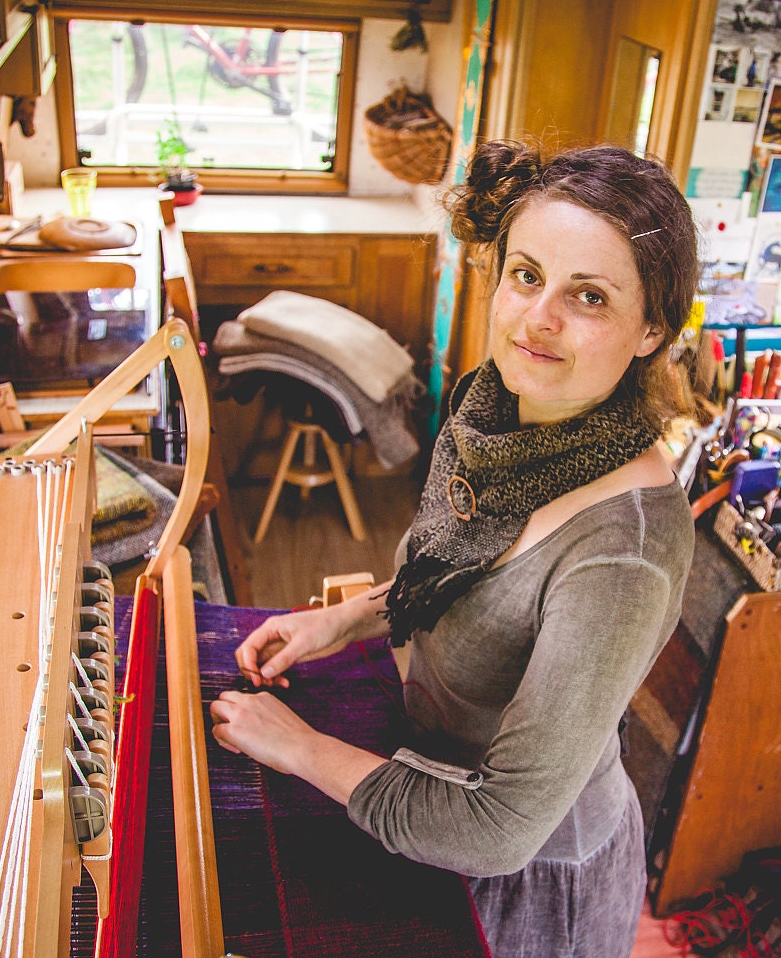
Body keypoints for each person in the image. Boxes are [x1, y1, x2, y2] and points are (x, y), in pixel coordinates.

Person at [210, 139, 699, 958]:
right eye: (527, 274)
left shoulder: (624, 554)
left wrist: (298, 747)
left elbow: (498, 829)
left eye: (588, 295)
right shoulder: (494, 413)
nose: (538, 317)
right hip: (425, 781)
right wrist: (338, 623)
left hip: (530, 885)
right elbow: (452, 576)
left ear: (651, 327)